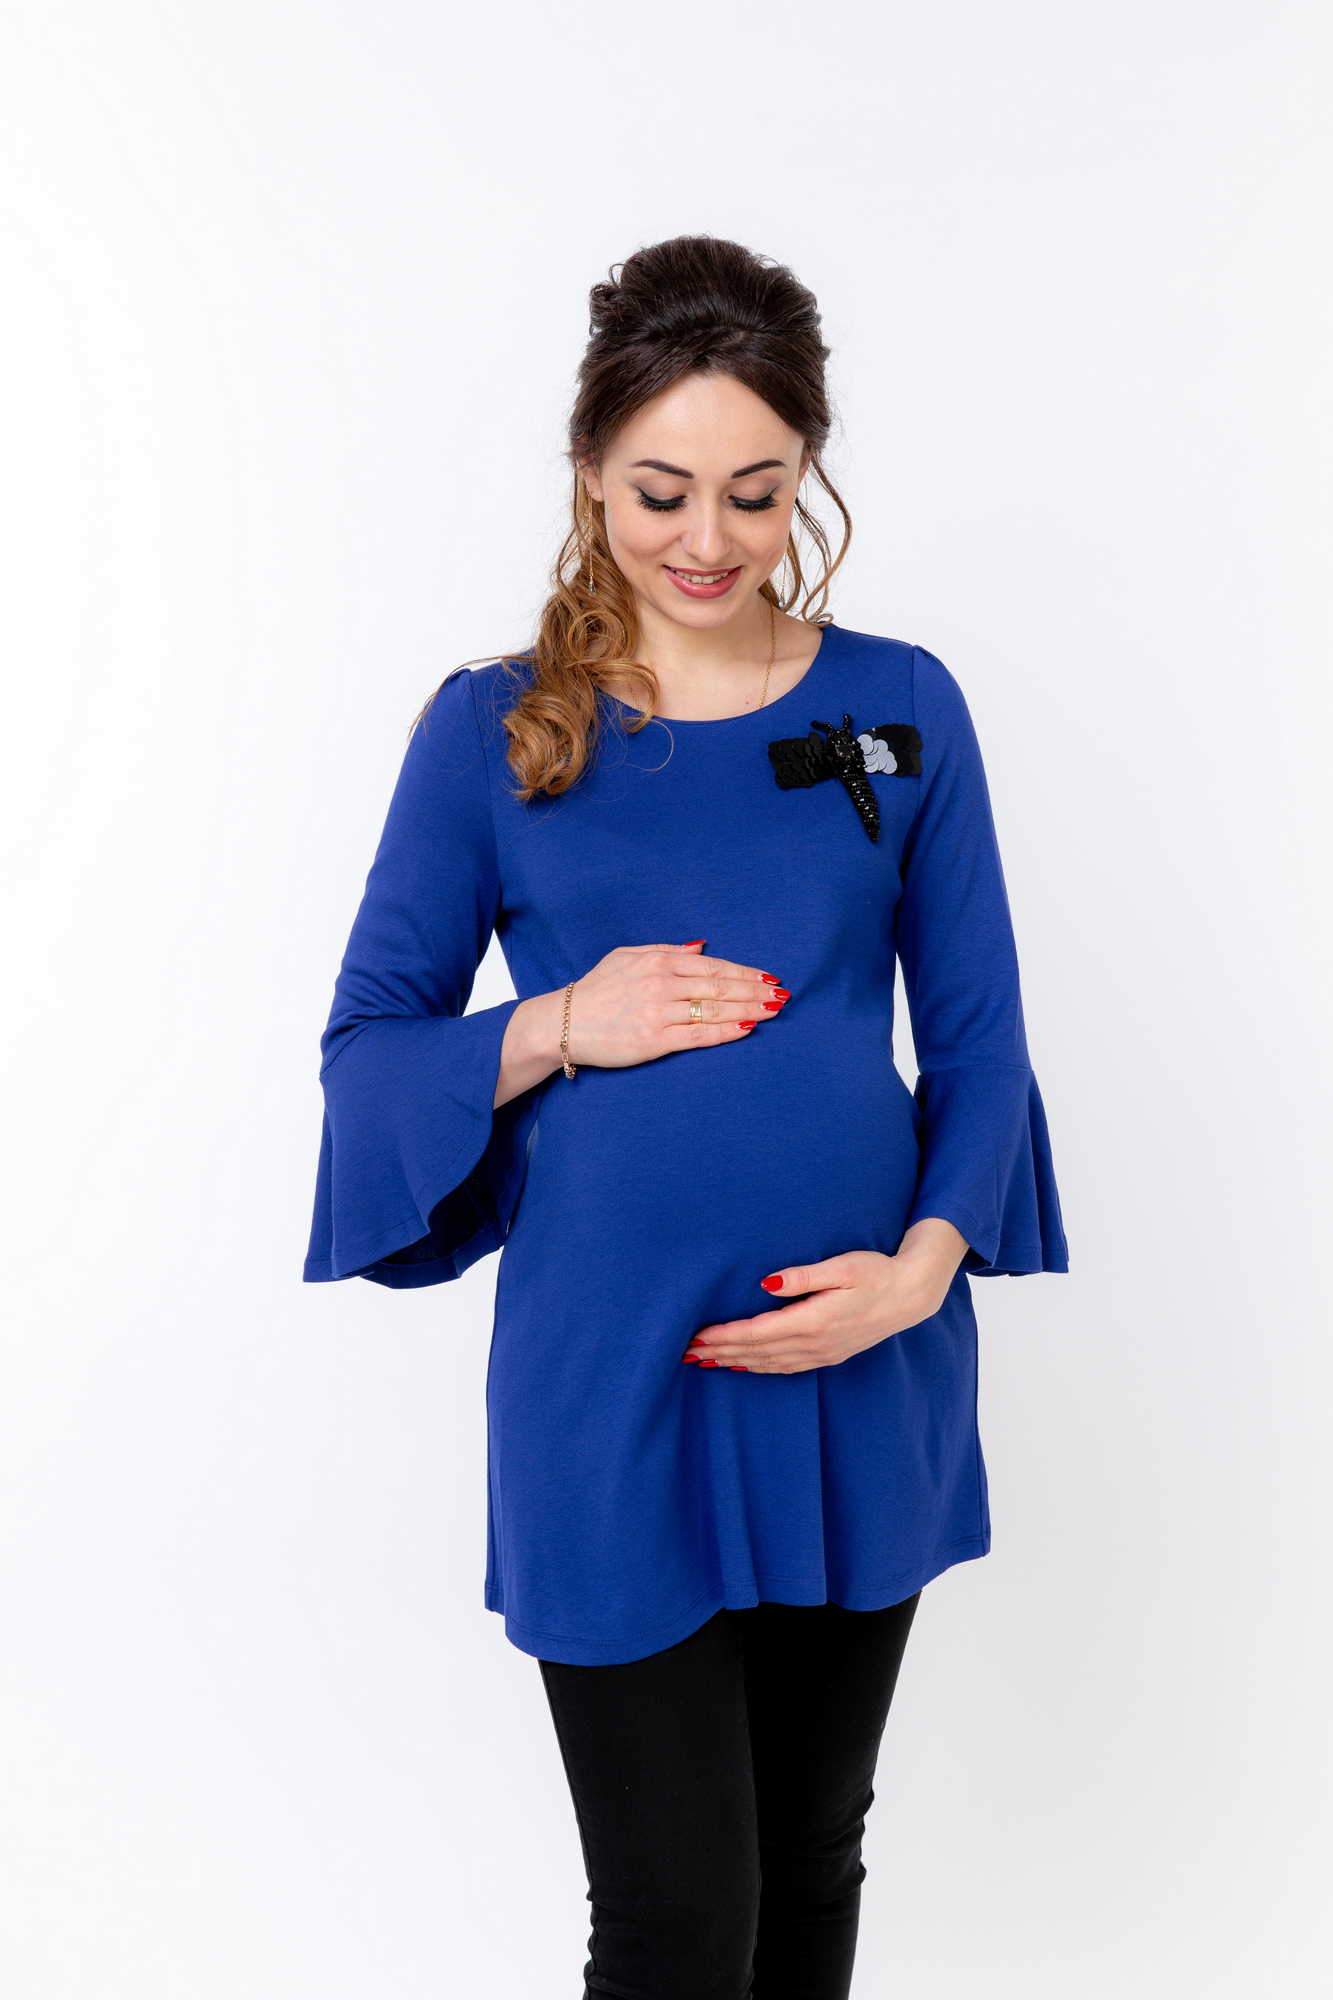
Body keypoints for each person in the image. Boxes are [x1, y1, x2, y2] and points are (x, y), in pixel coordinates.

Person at [304, 235, 1067, 2000]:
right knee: (672, 1922)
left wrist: (919, 1274)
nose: (709, 538)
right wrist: (561, 1021)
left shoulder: (899, 707)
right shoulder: (494, 730)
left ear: (809, 473)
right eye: (660, 491)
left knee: (809, 1866)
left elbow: (977, 1036)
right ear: (589, 470)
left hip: (859, 1356)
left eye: (755, 489)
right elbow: (365, 1050)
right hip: (608, 1381)